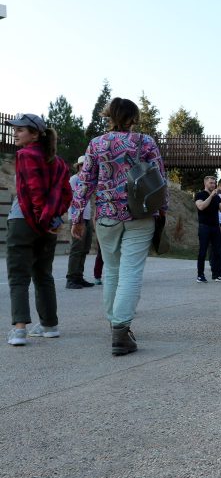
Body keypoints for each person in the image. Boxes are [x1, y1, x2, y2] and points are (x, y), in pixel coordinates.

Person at [70, 97, 169, 356]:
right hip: (140, 215)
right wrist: (163, 210)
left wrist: (77, 216)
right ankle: (121, 331)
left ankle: (115, 324)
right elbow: (159, 178)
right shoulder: (145, 142)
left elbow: (84, 183)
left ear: (109, 115)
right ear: (133, 117)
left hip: (106, 216)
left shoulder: (96, 144)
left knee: (112, 272)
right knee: (131, 273)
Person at [5, 113, 72, 346]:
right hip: (48, 226)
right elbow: (66, 195)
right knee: (43, 275)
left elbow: (34, 192)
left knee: (18, 275)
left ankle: (19, 330)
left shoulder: (25, 154)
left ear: (35, 134)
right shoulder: (59, 162)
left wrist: (40, 218)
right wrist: (53, 219)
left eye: (20, 129)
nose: (15, 133)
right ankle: (49, 325)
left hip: (23, 222)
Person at [66, 155, 95, 289]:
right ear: (78, 167)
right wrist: (77, 219)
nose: (85, 167)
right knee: (76, 249)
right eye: (82, 165)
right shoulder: (74, 179)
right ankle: (71, 279)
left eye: (86, 165)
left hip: (87, 217)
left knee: (84, 249)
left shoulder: (88, 181)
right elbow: (72, 199)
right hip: (77, 218)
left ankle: (79, 277)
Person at [195, 176, 221, 283]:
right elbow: (201, 206)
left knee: (217, 251)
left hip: (215, 227)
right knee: (203, 251)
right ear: (205, 183)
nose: (213, 185)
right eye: (211, 183)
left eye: (214, 183)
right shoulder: (200, 195)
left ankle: (217, 274)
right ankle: (200, 275)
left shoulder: (217, 197)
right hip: (204, 226)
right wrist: (211, 196)